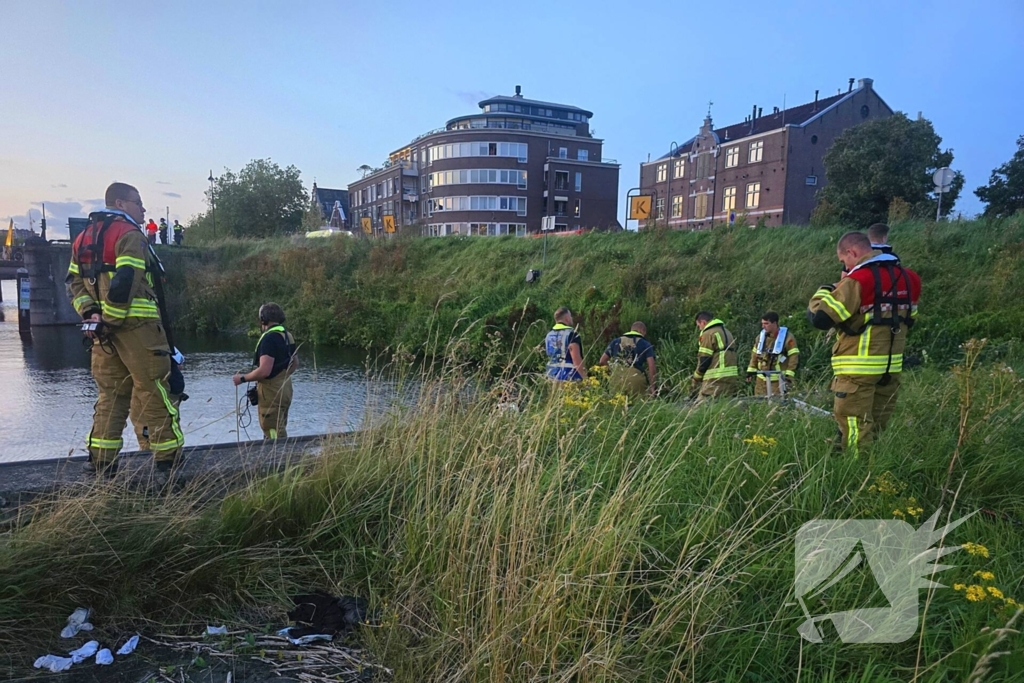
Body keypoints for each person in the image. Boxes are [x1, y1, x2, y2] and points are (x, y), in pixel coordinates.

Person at [65, 182, 184, 475]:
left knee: (111, 394)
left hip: (102, 336)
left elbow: (74, 284)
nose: (143, 209)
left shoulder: (82, 239)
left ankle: (101, 461)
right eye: (137, 202)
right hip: (138, 329)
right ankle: (168, 459)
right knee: (154, 389)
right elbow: (126, 279)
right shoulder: (128, 235)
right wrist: (113, 319)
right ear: (120, 204)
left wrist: (93, 316)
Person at [807, 231, 920, 452]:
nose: (845, 266)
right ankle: (875, 472)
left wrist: (826, 290)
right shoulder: (910, 278)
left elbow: (820, 318)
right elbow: (910, 320)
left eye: (844, 260)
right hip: (890, 368)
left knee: (854, 427)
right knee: (877, 427)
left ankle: (856, 476)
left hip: (857, 370)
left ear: (852, 252)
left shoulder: (858, 280)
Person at [233, 303, 297, 439]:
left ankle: (277, 458)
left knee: (272, 430)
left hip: (271, 392)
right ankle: (281, 456)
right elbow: (295, 363)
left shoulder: (269, 339)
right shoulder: (287, 335)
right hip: (285, 387)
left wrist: (242, 379)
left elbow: (264, 371)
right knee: (280, 426)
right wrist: (282, 377)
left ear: (263, 319)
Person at [745, 311, 800, 396]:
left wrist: (789, 375)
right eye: (762, 323)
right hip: (761, 380)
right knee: (759, 403)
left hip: (778, 381)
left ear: (775, 323)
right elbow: (754, 355)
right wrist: (750, 371)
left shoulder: (787, 338)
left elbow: (794, 356)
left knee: (776, 404)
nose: (763, 326)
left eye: (766, 323)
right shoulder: (760, 337)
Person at [598, 321, 656, 397]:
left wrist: (611, 374)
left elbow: (602, 361)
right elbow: (651, 366)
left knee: (617, 406)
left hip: (617, 379)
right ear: (642, 331)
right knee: (640, 406)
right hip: (636, 380)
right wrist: (652, 387)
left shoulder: (616, 341)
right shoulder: (645, 344)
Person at [691, 312, 739, 398]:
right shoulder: (727, 332)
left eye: (699, 326)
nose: (699, 329)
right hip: (730, 378)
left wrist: (696, 377)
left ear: (703, 322)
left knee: (701, 407)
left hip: (715, 379)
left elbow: (704, 359)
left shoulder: (708, 333)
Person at [544, 307, 586, 382]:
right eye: (570, 316)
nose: (571, 318)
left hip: (551, 376)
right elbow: (576, 359)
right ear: (567, 318)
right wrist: (585, 378)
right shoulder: (571, 334)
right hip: (569, 377)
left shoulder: (548, 335)